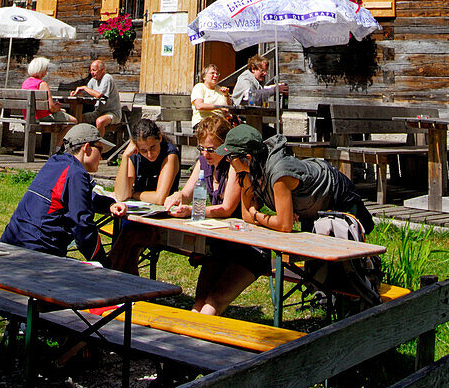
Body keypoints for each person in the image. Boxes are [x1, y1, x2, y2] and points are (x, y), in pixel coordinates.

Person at [164, 116, 270, 314]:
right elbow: (187, 193)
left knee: (213, 302)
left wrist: (194, 211)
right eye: (201, 148)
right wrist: (177, 196)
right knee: (199, 301)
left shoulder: (234, 164)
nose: (206, 153)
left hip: (247, 247)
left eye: (211, 149)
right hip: (220, 243)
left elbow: (226, 208)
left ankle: (196, 342)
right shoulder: (203, 162)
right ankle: (188, 340)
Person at [217, 123, 375, 236]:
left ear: (248, 158)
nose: (227, 161)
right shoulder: (247, 171)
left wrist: (257, 214)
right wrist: (264, 216)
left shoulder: (280, 174)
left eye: (230, 156)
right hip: (310, 206)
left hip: (336, 193)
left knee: (347, 253)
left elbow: (284, 225)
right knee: (313, 265)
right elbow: (246, 216)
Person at [0, 123, 120, 259]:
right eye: (100, 149)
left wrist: (109, 204)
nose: (102, 157)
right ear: (86, 148)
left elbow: (77, 197)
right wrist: (103, 265)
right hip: (36, 252)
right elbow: (82, 226)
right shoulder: (76, 173)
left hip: (11, 243)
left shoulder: (56, 162)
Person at [109, 118, 181, 274]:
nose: (149, 154)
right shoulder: (134, 155)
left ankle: (109, 272)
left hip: (162, 220)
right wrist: (125, 158)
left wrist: (134, 194)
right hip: (139, 218)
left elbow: (160, 198)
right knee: (130, 245)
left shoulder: (170, 154)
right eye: (143, 150)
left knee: (129, 238)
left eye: (153, 147)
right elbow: (121, 195)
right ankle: (123, 287)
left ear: (159, 138)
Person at [22, 56, 75, 132]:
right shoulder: (42, 84)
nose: (46, 72)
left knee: (62, 115)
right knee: (74, 121)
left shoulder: (25, 83)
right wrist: (58, 108)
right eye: (46, 69)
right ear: (42, 70)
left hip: (28, 117)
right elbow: (52, 108)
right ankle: (59, 143)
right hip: (42, 117)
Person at [72, 59, 122, 137]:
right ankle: (82, 141)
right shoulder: (93, 80)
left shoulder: (107, 78)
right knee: (79, 118)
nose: (92, 73)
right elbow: (87, 94)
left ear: (102, 70)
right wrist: (77, 94)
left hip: (113, 113)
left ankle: (98, 145)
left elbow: (99, 95)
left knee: (100, 121)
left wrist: (84, 88)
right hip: (99, 112)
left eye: (94, 70)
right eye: (91, 70)